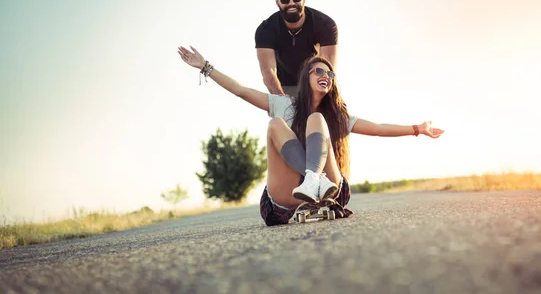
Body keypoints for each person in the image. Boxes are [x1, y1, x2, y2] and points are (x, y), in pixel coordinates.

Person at [178, 46, 445, 226]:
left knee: (317, 119)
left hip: (329, 189)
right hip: (288, 196)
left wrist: (417, 129)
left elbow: (377, 128)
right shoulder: (287, 105)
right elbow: (241, 91)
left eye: (330, 73)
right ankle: (309, 181)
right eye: (319, 71)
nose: (326, 75)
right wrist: (205, 67)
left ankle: (314, 180)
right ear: (307, 76)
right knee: (274, 124)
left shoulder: (337, 115)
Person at [255, 0, 338, 97]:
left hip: (314, 81)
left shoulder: (325, 24)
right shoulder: (265, 30)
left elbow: (328, 68)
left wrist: (315, 98)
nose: (291, 3)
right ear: (277, 2)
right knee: (281, 113)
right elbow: (268, 72)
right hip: (282, 86)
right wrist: (282, 101)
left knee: (324, 113)